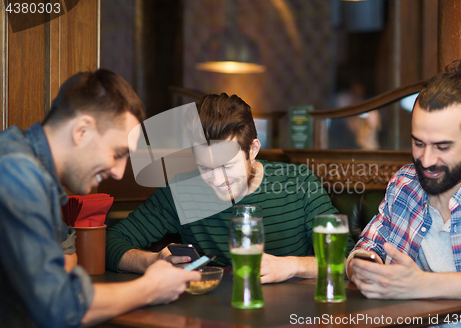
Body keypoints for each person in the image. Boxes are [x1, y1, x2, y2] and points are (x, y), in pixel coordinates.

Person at [0, 69, 200, 328]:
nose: (118, 173)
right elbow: (58, 307)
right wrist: (150, 288)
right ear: (82, 130)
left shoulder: (34, 170)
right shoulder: (18, 173)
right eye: (118, 153)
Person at [106, 93, 353, 284]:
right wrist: (152, 261)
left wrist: (292, 267)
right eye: (205, 167)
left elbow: (347, 256)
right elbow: (110, 243)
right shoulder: (182, 192)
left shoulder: (299, 183)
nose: (217, 179)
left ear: (253, 150)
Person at [347, 57, 461, 303]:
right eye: (418, 143)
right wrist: (363, 268)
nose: (426, 160)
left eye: (442, 146)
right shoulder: (404, 184)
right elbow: (366, 248)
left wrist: (422, 284)